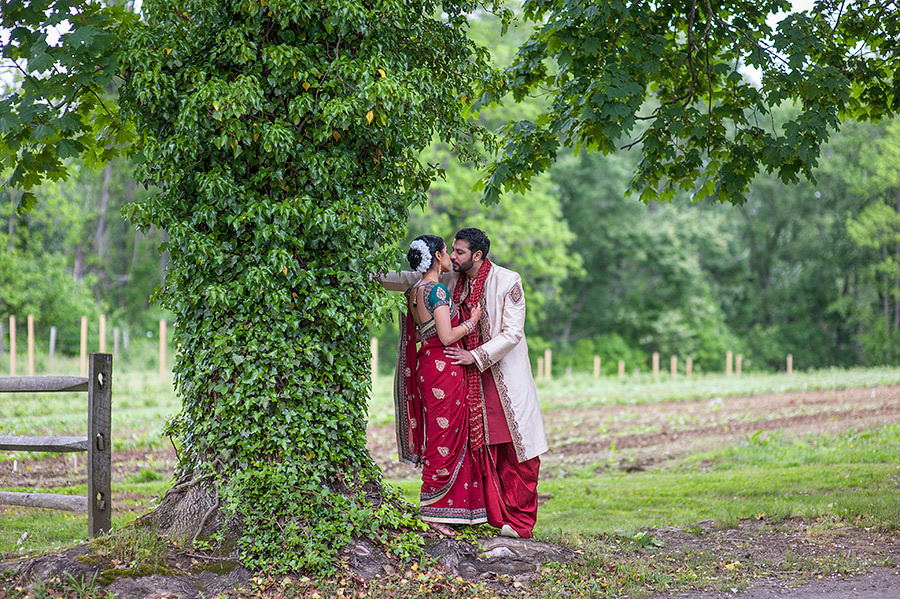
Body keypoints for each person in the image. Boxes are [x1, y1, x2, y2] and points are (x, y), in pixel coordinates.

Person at [384, 228, 548, 538]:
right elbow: (412, 279)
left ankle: (517, 520)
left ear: (477, 255)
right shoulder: (447, 280)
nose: (453, 257)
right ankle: (488, 514)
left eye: (459, 252)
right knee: (477, 448)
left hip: (499, 377)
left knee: (515, 448)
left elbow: (513, 333)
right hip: (461, 378)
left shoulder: (507, 280)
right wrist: (368, 274)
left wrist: (476, 356)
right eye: (452, 251)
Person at [394, 234, 486, 537]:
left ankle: (446, 508)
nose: (450, 258)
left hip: (426, 367)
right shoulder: (437, 292)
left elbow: (423, 336)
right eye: (447, 252)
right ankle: (433, 510)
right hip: (444, 368)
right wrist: (472, 321)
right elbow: (447, 337)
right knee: (444, 437)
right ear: (437, 257)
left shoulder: (414, 291)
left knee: (439, 433)